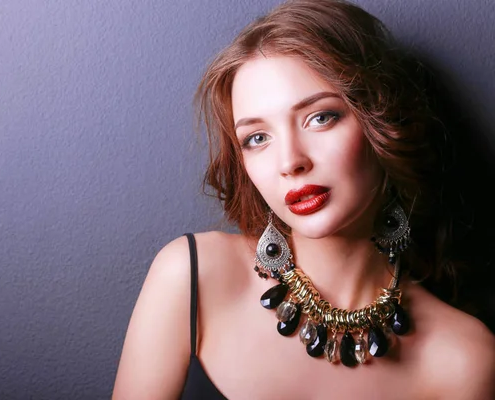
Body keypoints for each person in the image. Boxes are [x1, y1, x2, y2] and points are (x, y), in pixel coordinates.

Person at [113, 0, 495, 398]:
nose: (290, 162)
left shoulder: (464, 358)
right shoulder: (193, 278)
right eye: (257, 138)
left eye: (320, 117)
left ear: (381, 121)